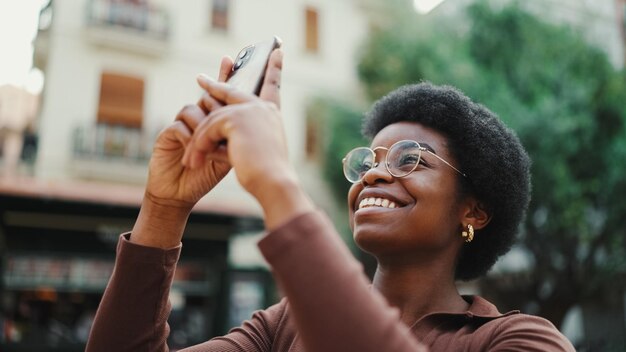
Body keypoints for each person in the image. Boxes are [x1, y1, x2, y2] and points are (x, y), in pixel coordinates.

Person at [85, 49, 575, 351]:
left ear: (474, 210)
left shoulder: (520, 341)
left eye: (410, 160)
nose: (376, 173)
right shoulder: (282, 327)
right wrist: (164, 208)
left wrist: (277, 181)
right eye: (367, 161)